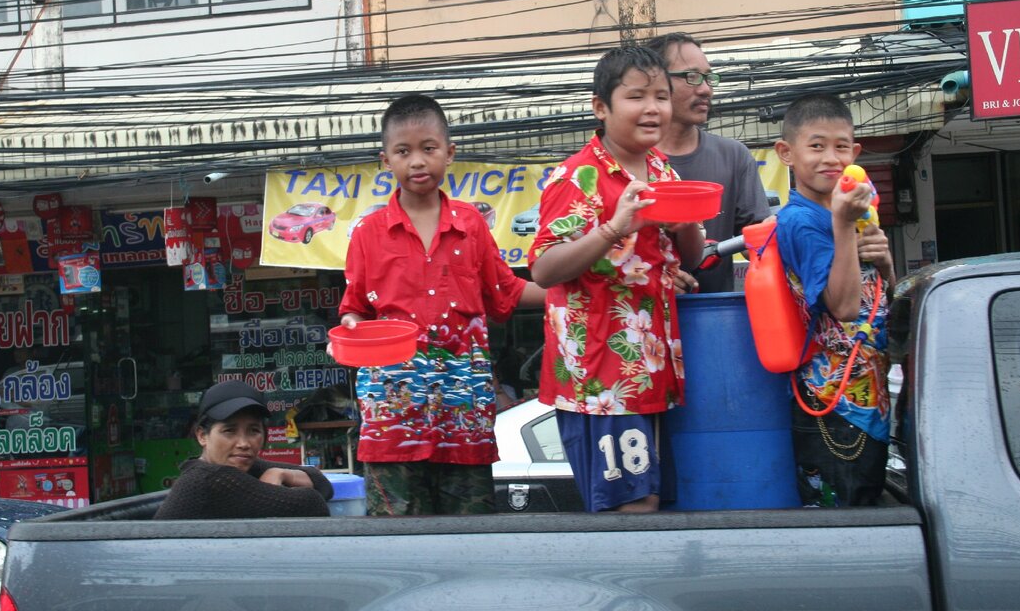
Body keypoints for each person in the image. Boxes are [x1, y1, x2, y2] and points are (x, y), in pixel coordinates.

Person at [338, 93, 545, 516]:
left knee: (471, 541)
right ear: (385, 160)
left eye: (428, 149)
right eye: (403, 151)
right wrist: (351, 330)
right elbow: (353, 308)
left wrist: (577, 294)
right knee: (397, 540)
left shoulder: (470, 224)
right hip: (392, 418)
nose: (417, 161)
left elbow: (506, 290)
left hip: (462, 414)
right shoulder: (367, 233)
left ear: (448, 154)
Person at [529, 46, 704, 513]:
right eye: (637, 96)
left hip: (655, 374)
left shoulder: (663, 170)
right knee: (632, 510)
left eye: (662, 96)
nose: (653, 108)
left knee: (658, 506)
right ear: (601, 107)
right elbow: (544, 269)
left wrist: (687, 224)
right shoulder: (576, 178)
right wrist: (613, 228)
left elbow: (692, 257)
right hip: (601, 380)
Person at [774, 94, 895, 507]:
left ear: (856, 152)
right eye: (817, 145)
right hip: (832, 404)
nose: (832, 158)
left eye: (842, 146)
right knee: (849, 522)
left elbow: (880, 302)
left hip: (867, 399)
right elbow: (843, 308)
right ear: (786, 153)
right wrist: (843, 224)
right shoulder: (802, 220)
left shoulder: (849, 214)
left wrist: (886, 261)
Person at [647, 32, 770, 293]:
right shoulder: (624, 164)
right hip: (643, 324)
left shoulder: (734, 156)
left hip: (714, 318)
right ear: (655, 82)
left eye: (708, 78)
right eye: (691, 77)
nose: (705, 89)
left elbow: (760, 244)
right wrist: (653, 277)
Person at [153, 380, 333, 519]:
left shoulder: (234, 464)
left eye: (253, 431)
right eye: (229, 431)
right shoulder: (209, 479)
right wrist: (276, 481)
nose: (244, 443)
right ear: (202, 436)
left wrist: (280, 473)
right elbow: (313, 504)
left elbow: (320, 481)